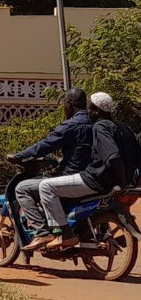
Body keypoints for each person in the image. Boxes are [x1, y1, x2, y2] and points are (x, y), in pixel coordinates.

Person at [28, 91, 127, 251]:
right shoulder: (120, 127)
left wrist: (122, 183)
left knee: (45, 186)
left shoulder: (98, 127)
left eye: (91, 108)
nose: (88, 111)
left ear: (96, 110)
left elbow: (112, 155)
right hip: (112, 181)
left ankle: (60, 233)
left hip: (93, 179)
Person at [7, 88, 92, 233]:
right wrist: (59, 160)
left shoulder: (70, 126)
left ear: (68, 104)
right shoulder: (98, 123)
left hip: (71, 177)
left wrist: (19, 156)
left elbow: (44, 146)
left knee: (22, 188)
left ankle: (42, 232)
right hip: (92, 176)